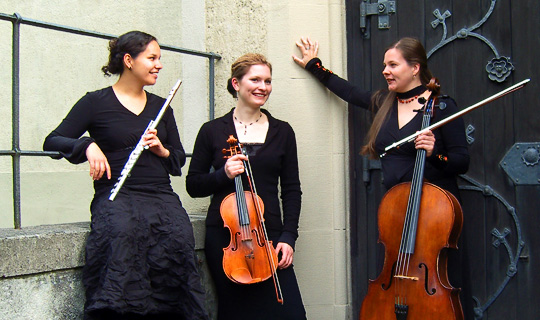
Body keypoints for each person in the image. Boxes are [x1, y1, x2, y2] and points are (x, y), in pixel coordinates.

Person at [293, 37, 473, 318]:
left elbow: (461, 162)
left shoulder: (442, 107)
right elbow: (349, 92)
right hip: (396, 211)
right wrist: (315, 66)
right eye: (384, 65)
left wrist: (435, 151)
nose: (385, 70)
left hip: (434, 215)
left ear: (415, 68)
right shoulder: (383, 103)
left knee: (440, 280)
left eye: (392, 64)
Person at [43, 31, 208, 320]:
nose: (159, 65)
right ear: (129, 60)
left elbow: (178, 161)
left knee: (178, 237)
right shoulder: (95, 102)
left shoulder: (161, 107)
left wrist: (161, 150)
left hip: (160, 195)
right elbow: (53, 141)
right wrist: (87, 145)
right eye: (152, 58)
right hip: (117, 194)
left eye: (160, 59)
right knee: (120, 235)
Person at [186, 53, 306, 320]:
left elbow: (291, 189)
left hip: (269, 235)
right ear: (236, 84)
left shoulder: (282, 131)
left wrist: (289, 237)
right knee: (236, 313)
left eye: (267, 81)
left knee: (290, 314)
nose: (262, 87)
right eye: (255, 79)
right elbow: (193, 185)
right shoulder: (212, 131)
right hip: (227, 238)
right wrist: (223, 174)